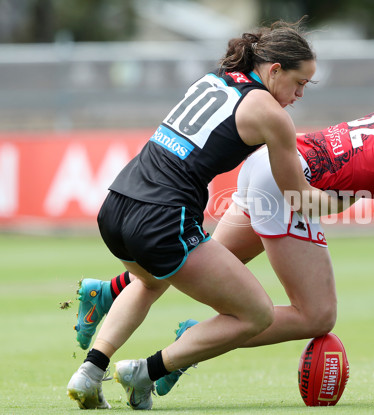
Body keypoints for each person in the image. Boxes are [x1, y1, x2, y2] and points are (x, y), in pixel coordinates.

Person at [71, 88, 374, 403]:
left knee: (202, 261)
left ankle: (109, 290)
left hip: (267, 166)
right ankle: (154, 367)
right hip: (290, 189)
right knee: (317, 314)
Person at [66, 19, 341, 410]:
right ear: (275, 70)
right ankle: (143, 372)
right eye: (299, 83)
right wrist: (354, 197)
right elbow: (297, 196)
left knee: (147, 282)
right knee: (256, 314)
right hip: (163, 217)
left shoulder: (217, 78)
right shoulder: (272, 115)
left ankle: (91, 371)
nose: (299, 94)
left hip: (116, 203)